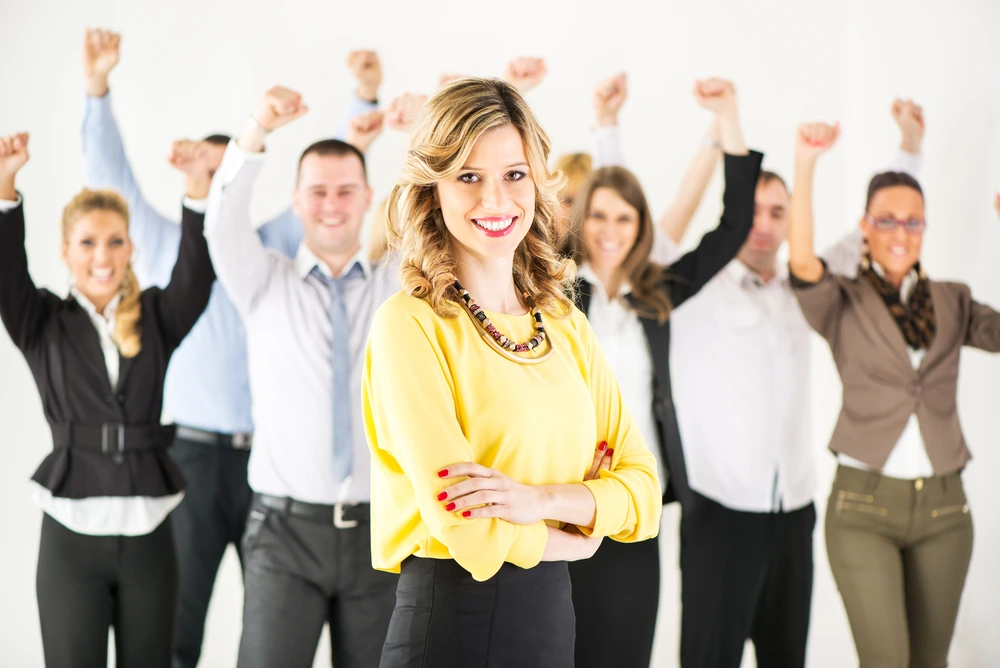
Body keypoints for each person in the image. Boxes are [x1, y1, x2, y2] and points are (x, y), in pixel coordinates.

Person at [79, 28, 383, 667]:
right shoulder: (170, 244)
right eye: (212, 178)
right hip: (197, 454)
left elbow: (338, 183)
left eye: (230, 178)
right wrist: (97, 90)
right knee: (182, 618)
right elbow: (115, 178)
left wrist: (364, 100)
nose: (222, 189)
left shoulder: (277, 240)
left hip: (280, 470)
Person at [363, 76, 662, 668]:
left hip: (550, 625)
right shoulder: (409, 325)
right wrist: (577, 534)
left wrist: (535, 501)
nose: (496, 201)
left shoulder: (565, 325)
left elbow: (645, 493)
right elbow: (466, 530)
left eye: (514, 174)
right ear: (433, 190)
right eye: (468, 177)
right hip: (449, 627)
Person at [649, 99, 925, 668]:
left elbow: (877, 234)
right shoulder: (694, 288)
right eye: (752, 209)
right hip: (719, 514)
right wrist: (721, 124)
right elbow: (657, 238)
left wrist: (910, 147)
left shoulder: (808, 286)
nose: (765, 223)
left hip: (794, 513)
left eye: (778, 211)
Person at [564, 78, 761, 668]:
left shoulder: (659, 292)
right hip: (559, 494)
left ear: (640, 226)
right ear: (580, 219)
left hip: (634, 498)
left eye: (623, 218)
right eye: (597, 215)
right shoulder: (552, 292)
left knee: (626, 649)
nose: (608, 230)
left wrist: (729, 118)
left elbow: (732, 228)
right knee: (557, 648)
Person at [788, 121, 1000, 667]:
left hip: (946, 512)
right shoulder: (842, 300)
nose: (900, 231)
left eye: (913, 221)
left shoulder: (953, 300)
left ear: (925, 227)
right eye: (886, 220)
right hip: (862, 508)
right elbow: (803, 263)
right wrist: (806, 163)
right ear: (865, 226)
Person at [0, 133, 215, 668]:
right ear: (66, 251)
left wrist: (195, 189)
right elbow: (5, 274)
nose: (103, 256)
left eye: (116, 241)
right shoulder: (41, 321)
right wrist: (6, 185)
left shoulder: (157, 316)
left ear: (131, 248)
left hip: (149, 534)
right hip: (71, 538)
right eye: (89, 243)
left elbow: (195, 274)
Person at [203, 85, 398, 668]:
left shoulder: (396, 286)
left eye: (345, 191)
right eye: (318, 191)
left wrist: (425, 130)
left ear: (367, 198)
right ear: (296, 201)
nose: (331, 204)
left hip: (378, 535)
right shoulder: (265, 282)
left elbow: (440, 216)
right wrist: (257, 124)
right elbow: (221, 224)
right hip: (283, 534)